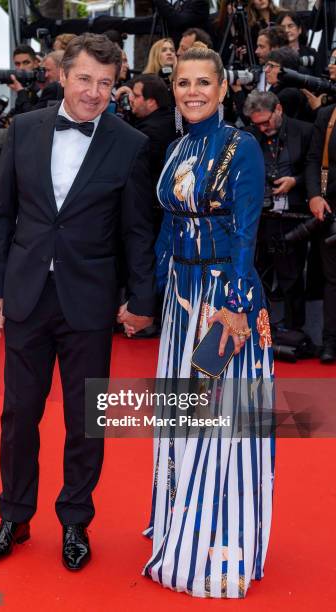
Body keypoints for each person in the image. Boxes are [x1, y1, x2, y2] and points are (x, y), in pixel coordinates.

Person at [0, 33, 156, 570]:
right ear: (61, 75)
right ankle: (14, 515)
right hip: (27, 295)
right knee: (19, 415)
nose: (94, 92)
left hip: (89, 300)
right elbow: (1, 217)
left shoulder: (129, 143)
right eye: (85, 79)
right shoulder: (26, 129)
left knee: (86, 420)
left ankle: (75, 519)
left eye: (106, 83)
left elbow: (137, 233)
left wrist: (142, 298)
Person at [143, 47, 274, 598]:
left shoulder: (242, 148)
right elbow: (169, 229)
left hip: (224, 304)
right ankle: (179, 527)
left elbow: (248, 231)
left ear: (224, 90)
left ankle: (220, 542)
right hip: (181, 301)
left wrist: (238, 306)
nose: (192, 91)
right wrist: (147, 298)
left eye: (203, 82)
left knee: (224, 425)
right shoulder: (176, 148)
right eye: (182, 83)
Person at [244, 90, 313, 331]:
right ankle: (257, 327)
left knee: (291, 276)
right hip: (259, 216)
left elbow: (316, 171)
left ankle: (295, 332)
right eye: (257, 124)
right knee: (257, 272)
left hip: (294, 215)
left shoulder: (304, 131)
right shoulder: (250, 136)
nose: (263, 128)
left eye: (266, 121)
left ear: (279, 109)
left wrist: (295, 181)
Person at [305, 101, 336, 363]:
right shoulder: (327, 114)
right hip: (329, 208)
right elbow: (314, 158)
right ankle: (330, 341)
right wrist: (314, 195)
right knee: (333, 280)